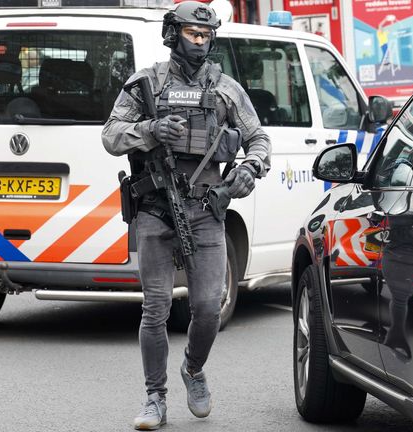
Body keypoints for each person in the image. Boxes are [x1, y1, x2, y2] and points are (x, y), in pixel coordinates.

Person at [100, 2, 271, 430]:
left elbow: (259, 138)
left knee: (209, 307)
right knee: (155, 307)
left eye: (206, 34)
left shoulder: (226, 88)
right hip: (157, 209)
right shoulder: (145, 85)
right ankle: (154, 398)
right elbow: (110, 135)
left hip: (206, 209)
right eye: (192, 33)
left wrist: (249, 170)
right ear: (173, 34)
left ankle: (193, 369)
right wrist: (150, 131)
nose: (200, 41)